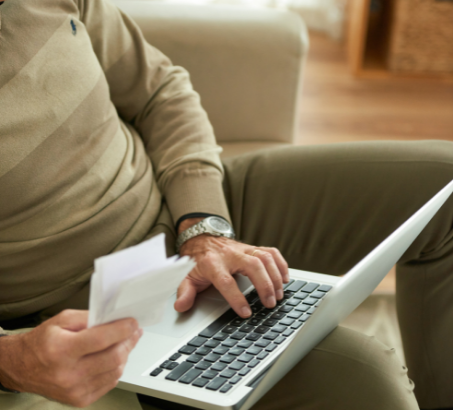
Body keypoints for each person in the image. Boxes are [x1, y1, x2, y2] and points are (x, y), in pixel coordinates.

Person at [0, 0, 451, 409]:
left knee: (445, 182)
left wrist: (204, 226)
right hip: (92, 296)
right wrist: (13, 360)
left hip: (188, 206)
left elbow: (161, 91)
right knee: (366, 378)